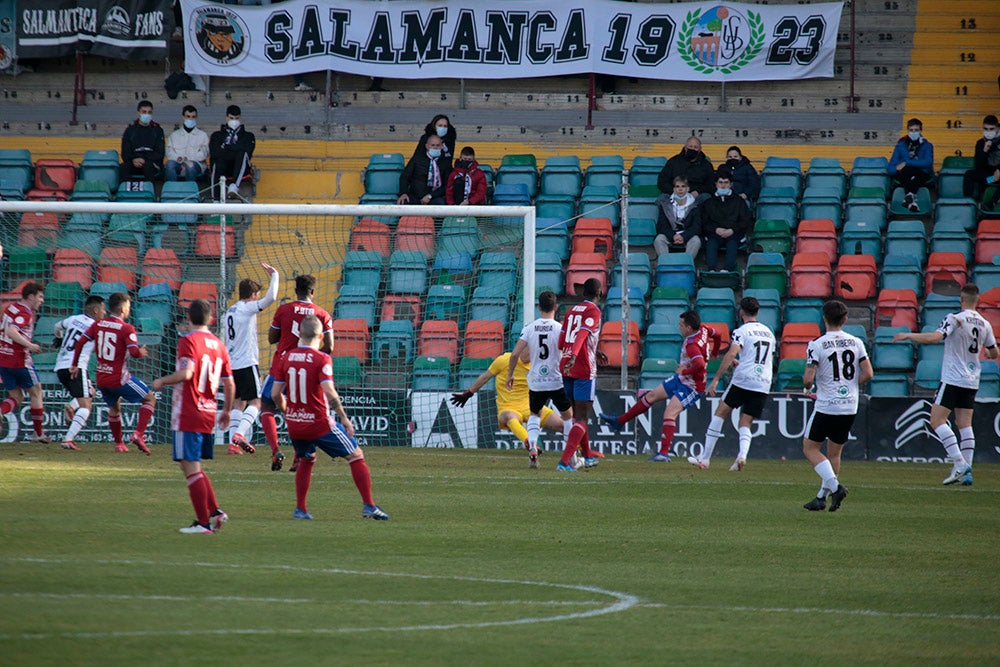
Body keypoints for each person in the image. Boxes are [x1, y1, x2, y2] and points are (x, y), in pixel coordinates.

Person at [271, 315, 389, 521]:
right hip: (319, 423)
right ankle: (369, 505)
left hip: (295, 423)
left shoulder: (287, 357)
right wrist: (344, 418)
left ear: (299, 334)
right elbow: (330, 392)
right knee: (356, 455)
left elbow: (274, 394)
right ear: (321, 336)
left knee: (307, 459)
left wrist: (287, 412)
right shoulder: (322, 359)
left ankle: (301, 509)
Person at [893, 284, 998, 486]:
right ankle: (967, 472)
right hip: (971, 379)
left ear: (961, 300)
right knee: (964, 424)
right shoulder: (985, 324)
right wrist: (985, 353)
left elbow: (935, 337)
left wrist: (909, 335)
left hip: (952, 378)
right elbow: (994, 353)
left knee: (937, 420)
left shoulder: (955, 319)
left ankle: (959, 463)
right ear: (978, 301)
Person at [152, 299, 235, 535]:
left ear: (189, 318)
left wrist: (162, 381)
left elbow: (187, 373)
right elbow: (229, 383)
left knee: (189, 466)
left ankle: (203, 523)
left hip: (188, 411)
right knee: (192, 465)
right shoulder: (219, 345)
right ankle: (215, 512)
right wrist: (227, 410)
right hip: (209, 411)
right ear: (210, 319)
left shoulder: (188, 341)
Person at [600, 310, 722, 462]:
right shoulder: (703, 329)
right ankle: (620, 421)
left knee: (669, 413)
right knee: (651, 396)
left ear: (689, 328)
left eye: (681, 325)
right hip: (681, 379)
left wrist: (685, 370)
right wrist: (715, 351)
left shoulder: (692, 344)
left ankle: (663, 454)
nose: (679, 327)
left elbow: (699, 364)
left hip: (693, 386)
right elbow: (718, 335)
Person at [688, 297, 775, 471]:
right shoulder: (769, 333)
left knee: (721, 412)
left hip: (744, 379)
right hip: (763, 382)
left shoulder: (742, 331)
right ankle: (741, 456)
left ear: (741, 311)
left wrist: (716, 380)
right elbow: (760, 358)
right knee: (746, 422)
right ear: (757, 312)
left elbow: (730, 354)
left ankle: (705, 459)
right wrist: (740, 362)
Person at [801, 300, 873, 512]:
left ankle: (835, 487)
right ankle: (821, 498)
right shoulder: (856, 342)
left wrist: (808, 388)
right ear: (845, 319)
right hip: (849, 405)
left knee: (810, 447)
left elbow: (808, 378)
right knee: (834, 453)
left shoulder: (817, 344)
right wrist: (849, 386)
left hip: (827, 405)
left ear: (824, 318)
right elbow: (868, 373)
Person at [259, 274, 334, 472]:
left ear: (295, 291)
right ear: (313, 292)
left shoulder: (284, 310)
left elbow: (271, 338)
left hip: (282, 365)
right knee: (304, 413)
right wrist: (313, 360)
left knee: (267, 405)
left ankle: (276, 450)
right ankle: (301, 457)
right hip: (307, 369)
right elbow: (330, 346)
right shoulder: (322, 314)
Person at [451, 348, 567, 468]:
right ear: (521, 350)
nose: (531, 355)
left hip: (531, 405)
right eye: (529, 351)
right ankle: (531, 445)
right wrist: (469, 393)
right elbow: (485, 377)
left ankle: (584, 453)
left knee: (562, 425)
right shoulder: (504, 360)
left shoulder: (538, 364)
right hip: (508, 406)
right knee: (509, 417)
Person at [70, 292, 156, 454]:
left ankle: (119, 444)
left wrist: (74, 364)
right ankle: (138, 434)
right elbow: (134, 353)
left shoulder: (98, 324)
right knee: (150, 398)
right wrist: (141, 352)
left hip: (102, 378)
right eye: (129, 307)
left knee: (114, 408)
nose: (129, 310)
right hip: (119, 378)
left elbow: (81, 341)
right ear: (123, 309)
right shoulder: (127, 328)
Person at [505, 290, 574, 468]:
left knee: (535, 415)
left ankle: (533, 449)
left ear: (539, 307)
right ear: (555, 307)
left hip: (536, 381)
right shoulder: (560, 329)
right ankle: (570, 456)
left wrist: (510, 374)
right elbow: (570, 352)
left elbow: (514, 355)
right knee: (568, 417)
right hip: (556, 380)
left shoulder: (530, 328)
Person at [223, 263, 279, 456]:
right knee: (257, 402)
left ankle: (232, 445)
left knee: (238, 402)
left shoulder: (229, 312)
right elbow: (271, 298)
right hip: (247, 362)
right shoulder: (247, 308)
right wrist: (275, 275)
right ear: (253, 295)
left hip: (232, 363)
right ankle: (239, 434)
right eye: (256, 294)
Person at [555, 278, 606, 472]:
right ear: (599, 293)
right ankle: (565, 461)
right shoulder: (594, 311)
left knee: (577, 415)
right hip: (583, 367)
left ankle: (587, 456)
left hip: (566, 365)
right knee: (582, 418)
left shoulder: (570, 311)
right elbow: (582, 335)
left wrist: (590, 350)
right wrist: (576, 355)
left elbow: (562, 342)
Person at [53, 295, 106, 450]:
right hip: (76, 367)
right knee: (86, 407)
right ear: (96, 310)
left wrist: (59, 339)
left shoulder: (73, 319)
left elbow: (57, 326)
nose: (104, 312)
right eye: (103, 309)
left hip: (60, 366)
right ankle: (68, 439)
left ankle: (71, 406)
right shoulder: (96, 327)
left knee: (91, 391)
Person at [0, 281, 49, 443]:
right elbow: (11, 331)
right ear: (30, 296)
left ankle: (1, 411)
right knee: (36, 392)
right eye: (40, 297)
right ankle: (38, 433)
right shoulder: (25, 313)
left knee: (16, 396)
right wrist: (30, 345)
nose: (42, 300)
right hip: (19, 360)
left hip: (3, 359)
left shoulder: (11, 307)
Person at [701, 171, 752, 272]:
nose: (723, 185)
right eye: (720, 182)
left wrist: (732, 230)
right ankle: (711, 270)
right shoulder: (708, 203)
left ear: (731, 184)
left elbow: (745, 220)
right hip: (714, 233)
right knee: (711, 243)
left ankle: (727, 270)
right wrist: (715, 229)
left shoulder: (739, 201)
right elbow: (704, 222)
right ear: (716, 184)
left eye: (726, 182)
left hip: (734, 233)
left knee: (732, 243)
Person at [209, 104, 256, 200]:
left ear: (240, 118)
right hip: (222, 166)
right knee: (217, 161)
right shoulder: (216, 135)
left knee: (242, 154)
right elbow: (214, 153)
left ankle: (234, 186)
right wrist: (235, 148)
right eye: (231, 118)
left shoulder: (248, 136)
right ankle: (216, 200)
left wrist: (225, 147)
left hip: (240, 167)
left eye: (237, 118)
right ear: (226, 118)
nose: (234, 121)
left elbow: (248, 152)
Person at [888, 117, 934, 213]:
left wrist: (906, 162)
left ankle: (909, 200)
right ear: (908, 130)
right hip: (905, 174)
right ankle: (910, 199)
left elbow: (928, 162)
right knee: (908, 172)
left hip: (922, 173)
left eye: (916, 130)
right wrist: (896, 168)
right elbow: (891, 168)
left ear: (921, 130)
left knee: (911, 170)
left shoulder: (927, 145)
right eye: (911, 130)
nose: (914, 132)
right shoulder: (900, 145)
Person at [653, 175, 702, 259]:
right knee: (659, 239)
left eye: (683, 186)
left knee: (696, 240)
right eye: (677, 186)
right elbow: (662, 225)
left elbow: (697, 226)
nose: (680, 189)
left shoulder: (695, 206)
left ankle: (686, 264)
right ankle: (666, 265)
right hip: (670, 234)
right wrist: (673, 236)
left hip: (687, 235)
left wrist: (683, 236)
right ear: (674, 189)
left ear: (688, 189)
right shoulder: (665, 205)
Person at [397, 134, 451, 205]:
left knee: (441, 204)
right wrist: (403, 193)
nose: (435, 147)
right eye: (432, 145)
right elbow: (405, 177)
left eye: (438, 145)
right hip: (415, 196)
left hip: (434, 197)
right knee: (403, 202)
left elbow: (446, 185)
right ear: (427, 146)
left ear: (441, 147)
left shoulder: (445, 163)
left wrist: (430, 196)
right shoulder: (417, 159)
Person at [119, 100, 165, 183]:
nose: (147, 114)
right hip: (133, 162)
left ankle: (150, 193)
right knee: (123, 167)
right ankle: (126, 194)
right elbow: (125, 153)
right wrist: (134, 159)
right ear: (138, 113)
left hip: (151, 163)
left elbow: (160, 153)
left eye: (149, 112)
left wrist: (144, 159)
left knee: (148, 166)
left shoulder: (158, 130)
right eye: (144, 112)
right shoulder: (130, 131)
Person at [656, 136, 714, 201]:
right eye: (690, 146)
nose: (692, 149)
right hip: (674, 193)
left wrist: (698, 192)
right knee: (662, 199)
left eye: (695, 147)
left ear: (700, 149)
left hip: (697, 196)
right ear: (685, 147)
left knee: (706, 198)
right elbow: (662, 181)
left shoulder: (706, 165)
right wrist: (675, 191)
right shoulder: (673, 161)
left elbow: (711, 185)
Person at [963, 114, 1000, 208]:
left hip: (999, 175)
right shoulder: (980, 143)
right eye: (986, 129)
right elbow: (978, 165)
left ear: (997, 128)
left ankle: (992, 203)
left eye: (991, 129)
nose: (988, 132)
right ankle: (968, 204)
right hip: (989, 178)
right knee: (969, 174)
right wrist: (984, 151)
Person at [165, 105, 209, 183]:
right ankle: (172, 191)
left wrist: (187, 161)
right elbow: (169, 152)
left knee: (190, 166)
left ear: (196, 117)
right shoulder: (174, 135)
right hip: (177, 162)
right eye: (188, 116)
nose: (191, 119)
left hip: (196, 164)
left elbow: (203, 154)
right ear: (183, 117)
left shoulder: (203, 135)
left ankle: (190, 192)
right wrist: (180, 160)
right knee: (169, 165)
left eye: (193, 117)